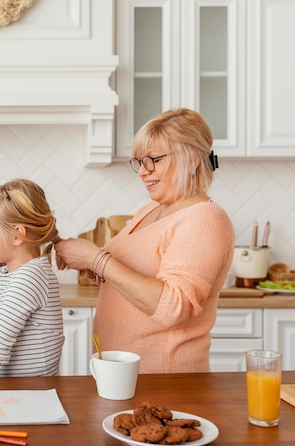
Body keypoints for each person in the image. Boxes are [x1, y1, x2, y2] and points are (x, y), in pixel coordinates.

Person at [55, 108, 234, 373]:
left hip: (164, 380)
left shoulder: (204, 218)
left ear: (194, 158)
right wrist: (88, 263)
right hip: (124, 375)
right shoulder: (152, 209)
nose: (142, 171)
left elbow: (175, 306)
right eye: (140, 161)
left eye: (154, 160)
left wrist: (97, 259)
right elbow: (128, 272)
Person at [0, 179, 65, 379]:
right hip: (8, 392)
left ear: (18, 236)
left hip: (30, 395)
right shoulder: (3, 275)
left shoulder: (30, 277)